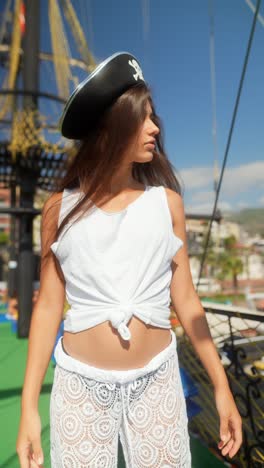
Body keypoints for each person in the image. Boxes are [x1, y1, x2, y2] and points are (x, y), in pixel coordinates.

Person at [16, 51, 242, 467]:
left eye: (155, 117)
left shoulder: (166, 203)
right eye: (144, 118)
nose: (156, 128)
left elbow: (187, 301)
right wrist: (28, 406)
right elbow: (48, 305)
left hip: (157, 379)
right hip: (80, 386)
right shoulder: (58, 209)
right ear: (112, 126)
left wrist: (221, 386)